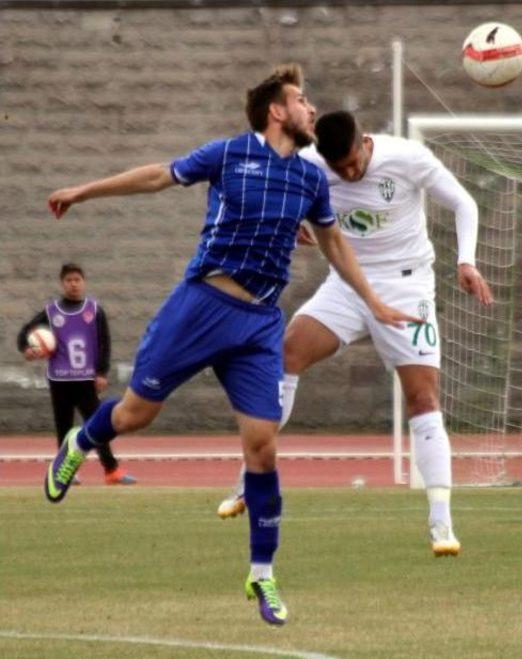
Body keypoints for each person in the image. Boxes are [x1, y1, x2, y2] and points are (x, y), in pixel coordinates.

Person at [45, 66, 418, 625]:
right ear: (276, 111)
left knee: (263, 447)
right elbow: (157, 177)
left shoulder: (311, 179)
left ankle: (262, 575)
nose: (311, 109)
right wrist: (84, 191)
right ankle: (83, 439)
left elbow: (335, 244)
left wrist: (374, 299)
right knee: (136, 413)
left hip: (259, 325)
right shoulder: (229, 153)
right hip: (201, 307)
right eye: (302, 100)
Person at [217, 110, 495, 558]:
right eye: (339, 168)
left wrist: (466, 260)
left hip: (406, 286)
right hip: (347, 286)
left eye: (352, 163)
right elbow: (272, 191)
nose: (348, 173)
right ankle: (250, 478)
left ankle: (441, 522)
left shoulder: (407, 157)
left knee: (423, 399)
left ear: (365, 142)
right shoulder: (310, 164)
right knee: (286, 353)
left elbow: (465, 203)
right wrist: (292, 223)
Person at [17, 263, 136, 486]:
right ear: (62, 284)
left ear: (84, 282)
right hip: (60, 380)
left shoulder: (93, 310)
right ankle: (66, 472)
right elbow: (25, 331)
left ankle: (111, 471)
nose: (73, 284)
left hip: (85, 380)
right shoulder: (52, 311)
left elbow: (104, 342)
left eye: (77, 280)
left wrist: (101, 372)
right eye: (69, 280)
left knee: (98, 426)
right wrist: (26, 348)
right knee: (64, 427)